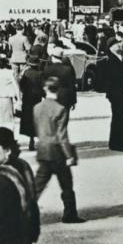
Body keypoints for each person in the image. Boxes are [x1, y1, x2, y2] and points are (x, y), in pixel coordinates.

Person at [33, 77, 84, 223]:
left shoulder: (37, 108)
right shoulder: (60, 109)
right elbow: (62, 136)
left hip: (43, 149)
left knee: (38, 185)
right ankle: (70, 214)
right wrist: (69, 155)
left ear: (45, 89)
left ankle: (24, 210)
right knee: (66, 184)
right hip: (57, 152)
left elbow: (38, 129)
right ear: (58, 90)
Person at [105, 39, 123, 151]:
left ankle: (115, 142)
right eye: (116, 44)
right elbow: (116, 75)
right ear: (111, 47)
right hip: (116, 93)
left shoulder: (118, 58)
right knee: (118, 118)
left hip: (120, 92)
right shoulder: (111, 59)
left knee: (119, 118)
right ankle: (117, 144)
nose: (119, 45)